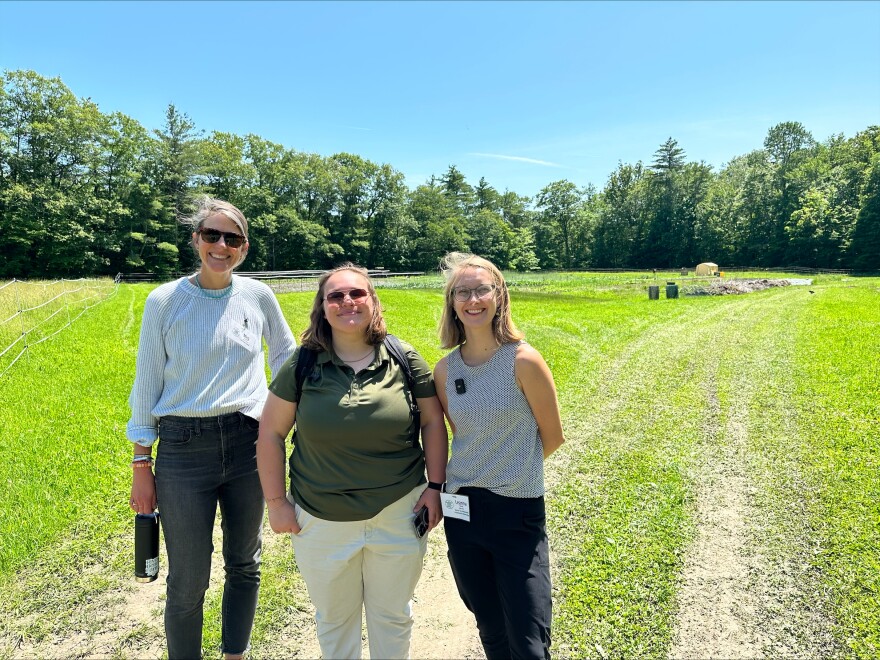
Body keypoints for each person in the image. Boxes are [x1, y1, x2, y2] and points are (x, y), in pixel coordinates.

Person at [126, 197, 296, 660]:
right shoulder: (164, 300)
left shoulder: (258, 296)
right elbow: (147, 382)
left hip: (249, 443)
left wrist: (290, 410)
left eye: (232, 238)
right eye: (212, 235)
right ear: (196, 240)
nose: (221, 246)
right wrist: (142, 462)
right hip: (183, 449)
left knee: (245, 562)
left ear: (243, 247)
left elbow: (285, 354)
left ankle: (234, 654)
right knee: (188, 578)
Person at [257, 263, 447, 660]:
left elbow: (431, 421)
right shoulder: (302, 363)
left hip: (398, 511)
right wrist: (276, 504)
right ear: (322, 307)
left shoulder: (402, 356)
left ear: (373, 302)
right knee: (334, 619)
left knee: (392, 616)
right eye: (336, 296)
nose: (347, 302)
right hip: (320, 517)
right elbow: (270, 434)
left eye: (357, 293)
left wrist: (434, 487)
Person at [433, 252, 565, 660]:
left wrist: (512, 470)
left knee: (528, 637)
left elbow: (553, 435)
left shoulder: (523, 360)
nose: (473, 300)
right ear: (452, 302)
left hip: (517, 511)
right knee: (489, 626)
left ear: (499, 295)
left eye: (481, 289)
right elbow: (464, 437)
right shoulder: (444, 370)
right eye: (462, 292)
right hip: (462, 512)